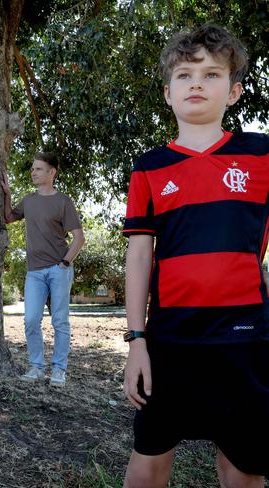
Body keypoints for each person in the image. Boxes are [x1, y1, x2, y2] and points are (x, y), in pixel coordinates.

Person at [122, 23, 269, 487]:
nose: (197, 83)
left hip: (245, 340)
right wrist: (136, 341)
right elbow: (140, 258)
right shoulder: (148, 168)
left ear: (234, 91)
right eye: (185, 75)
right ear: (168, 93)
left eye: (211, 74)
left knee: (243, 467)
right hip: (170, 341)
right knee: (148, 460)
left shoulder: (262, 157)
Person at [2, 152, 85, 387]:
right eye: (33, 168)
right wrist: (7, 194)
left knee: (60, 321)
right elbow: (8, 217)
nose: (33, 172)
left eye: (38, 169)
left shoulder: (63, 202)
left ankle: (59, 369)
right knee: (30, 320)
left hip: (59, 269)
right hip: (34, 272)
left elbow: (79, 238)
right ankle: (36, 367)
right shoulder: (29, 200)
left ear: (52, 172)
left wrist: (65, 263)